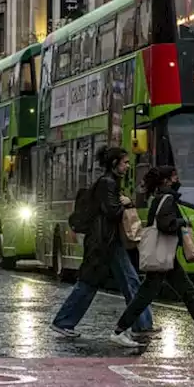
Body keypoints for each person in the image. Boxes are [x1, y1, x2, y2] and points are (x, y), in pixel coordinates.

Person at [109, 166, 194, 348]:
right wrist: (183, 222)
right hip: (162, 256)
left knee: (187, 292)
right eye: (175, 177)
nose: (177, 180)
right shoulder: (167, 199)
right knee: (146, 295)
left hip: (167, 256)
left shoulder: (162, 197)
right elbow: (165, 225)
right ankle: (118, 331)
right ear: (167, 180)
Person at [50, 145, 153, 339]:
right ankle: (63, 321)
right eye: (124, 163)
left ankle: (143, 324)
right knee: (91, 283)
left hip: (108, 241)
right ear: (114, 164)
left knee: (127, 282)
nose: (127, 166)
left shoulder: (109, 182)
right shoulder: (107, 184)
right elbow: (112, 211)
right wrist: (126, 203)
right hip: (104, 242)